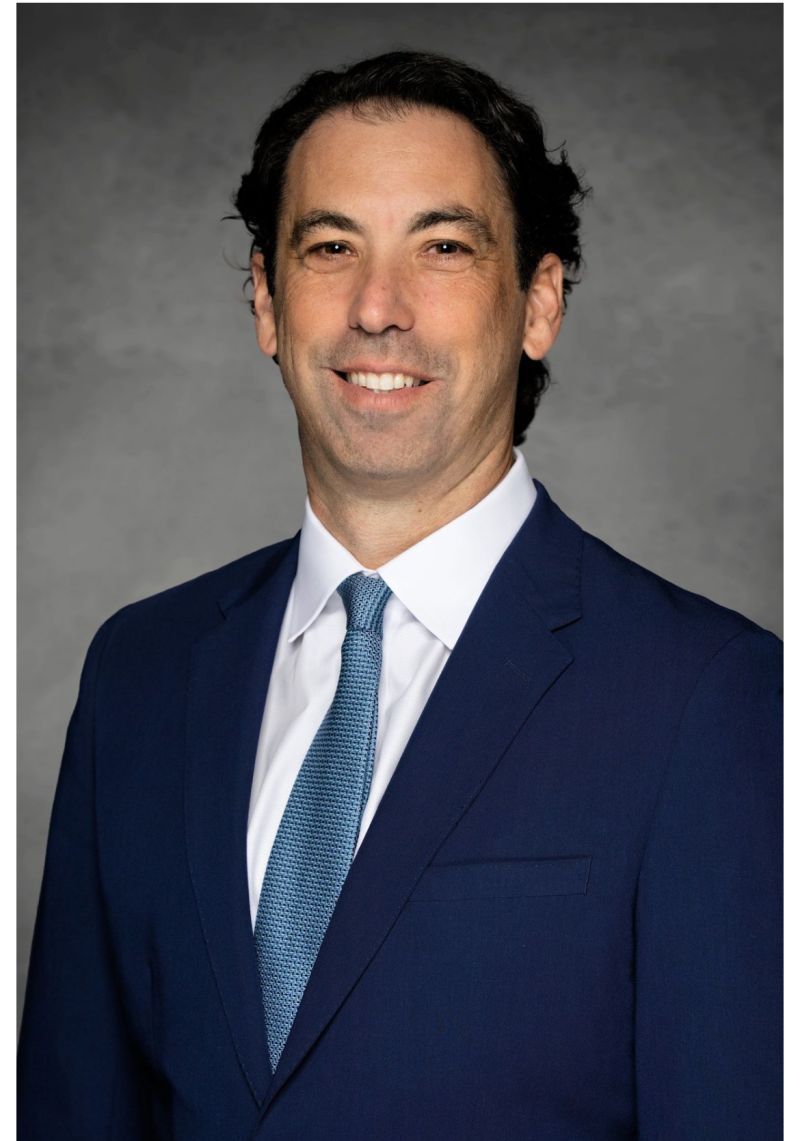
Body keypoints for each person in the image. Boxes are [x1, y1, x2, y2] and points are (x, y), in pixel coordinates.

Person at [18, 51, 781, 1139]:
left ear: (539, 303)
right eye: (331, 247)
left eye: (443, 248)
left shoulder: (710, 695)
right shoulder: (138, 672)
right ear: (265, 301)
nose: (378, 308)